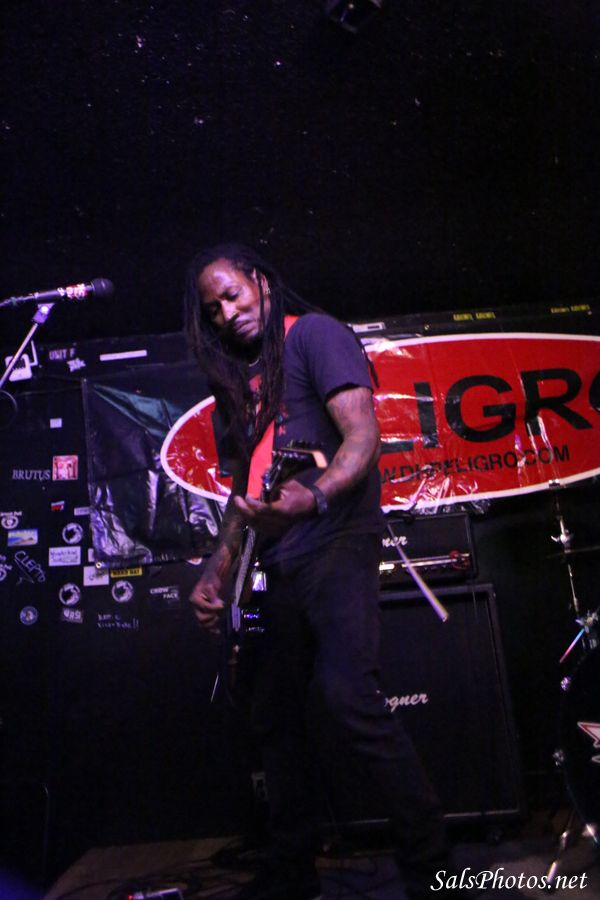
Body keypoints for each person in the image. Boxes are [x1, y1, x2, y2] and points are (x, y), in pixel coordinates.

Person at [184, 243, 452, 900]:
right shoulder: (233, 387)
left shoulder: (315, 336)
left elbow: (362, 436)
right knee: (272, 712)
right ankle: (290, 873)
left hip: (335, 537)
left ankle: (433, 870)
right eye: (212, 308)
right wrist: (217, 568)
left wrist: (316, 496)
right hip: (275, 559)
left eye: (231, 294)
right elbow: (244, 494)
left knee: (346, 694)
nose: (225, 313)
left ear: (259, 281)